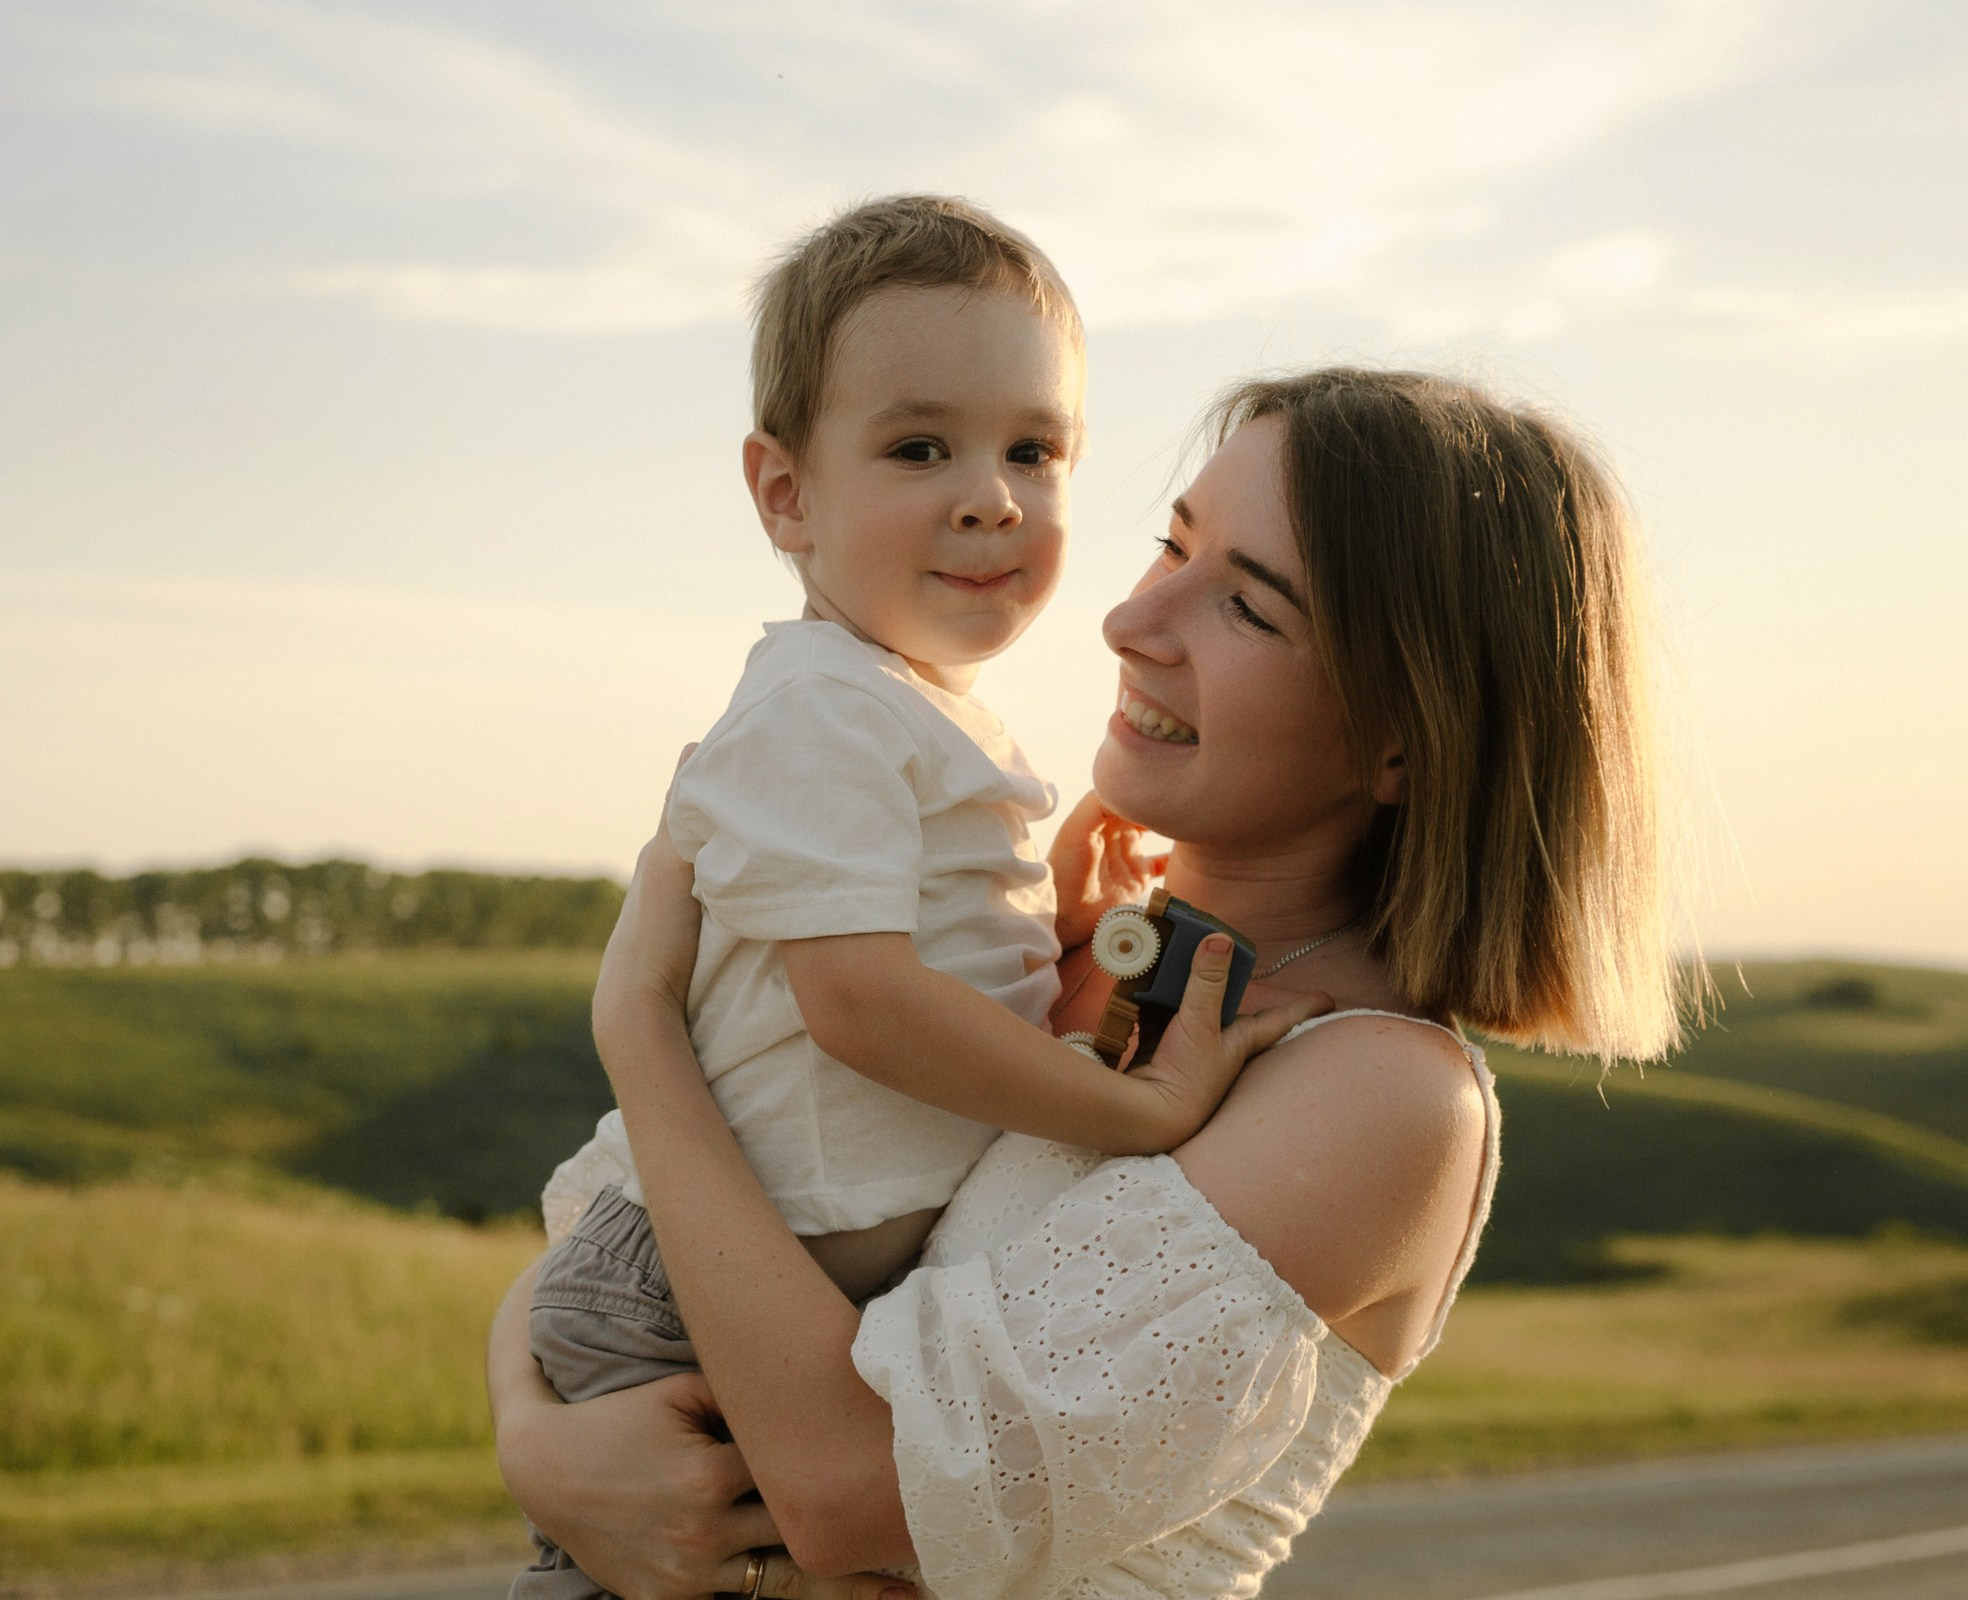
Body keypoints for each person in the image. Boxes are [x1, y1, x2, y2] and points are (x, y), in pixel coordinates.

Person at [492, 367, 1690, 1600]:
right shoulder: (1043, 949)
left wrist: (639, 1028)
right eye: (1171, 545)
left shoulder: (1384, 1094)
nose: (1133, 621)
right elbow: (616, 1230)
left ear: (1406, 736)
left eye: (1247, 608)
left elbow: (849, 1482)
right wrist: (539, 1444)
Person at [518, 195, 1317, 1600]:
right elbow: (860, 1001)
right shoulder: (818, 710)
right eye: (918, 447)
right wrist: (1135, 1108)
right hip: (688, 1292)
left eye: (1035, 450)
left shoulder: (916, 717)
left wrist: (1046, 920)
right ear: (785, 495)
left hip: (782, 1277)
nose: (988, 494)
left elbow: (917, 975)